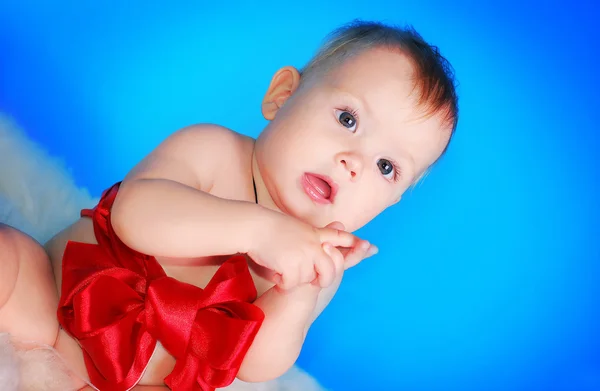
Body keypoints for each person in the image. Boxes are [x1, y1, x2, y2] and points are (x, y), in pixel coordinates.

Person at [0, 19, 459, 390]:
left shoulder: (316, 263)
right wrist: (258, 230)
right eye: (347, 118)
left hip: (144, 383)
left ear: (391, 202)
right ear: (282, 96)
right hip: (51, 305)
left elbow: (257, 365)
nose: (353, 163)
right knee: (8, 258)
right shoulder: (212, 152)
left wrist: (297, 294)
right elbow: (135, 214)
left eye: (386, 167)